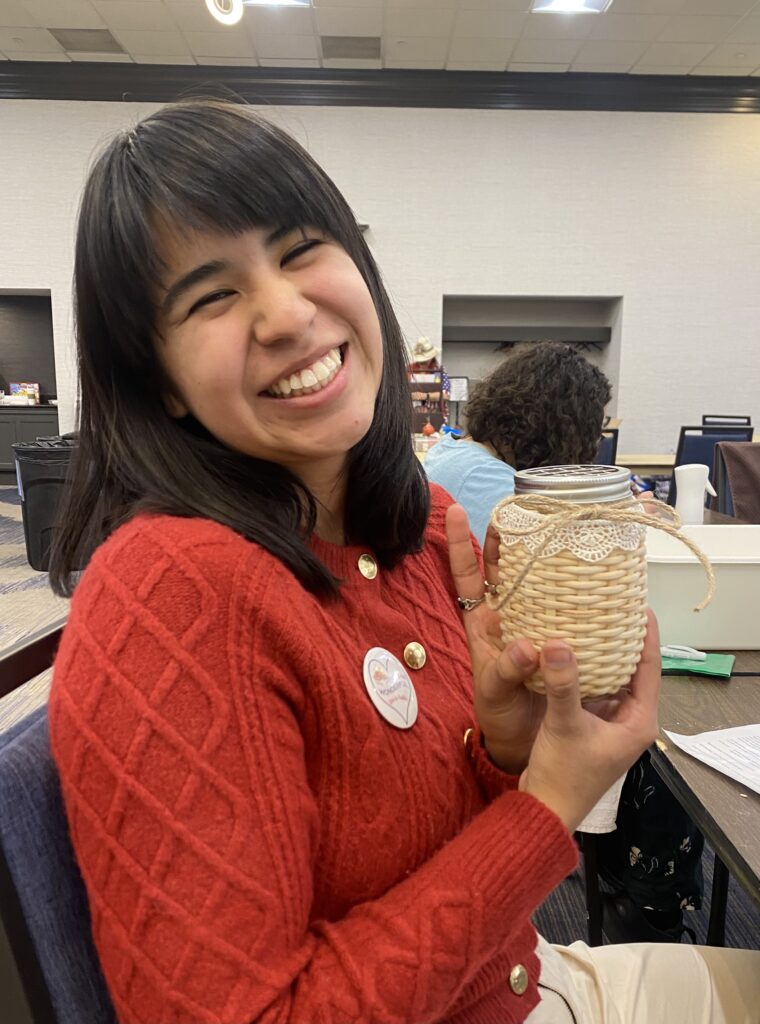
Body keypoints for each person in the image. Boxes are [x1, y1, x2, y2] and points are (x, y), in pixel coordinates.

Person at [46, 100, 760, 1024]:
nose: (286, 313)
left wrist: (505, 749)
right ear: (161, 385)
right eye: (212, 296)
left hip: (529, 980)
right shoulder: (173, 593)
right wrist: (545, 804)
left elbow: (421, 837)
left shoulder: (415, 527)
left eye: (301, 247)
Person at [425, 342, 611, 546]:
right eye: (590, 435)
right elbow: (562, 558)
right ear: (562, 431)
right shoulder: (488, 480)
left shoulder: (451, 450)